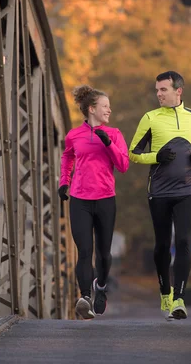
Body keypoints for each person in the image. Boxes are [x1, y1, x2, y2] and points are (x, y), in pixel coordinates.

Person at [129, 71, 191, 320]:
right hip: (160, 191)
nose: (159, 94)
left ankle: (179, 299)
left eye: (163, 90)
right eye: (157, 90)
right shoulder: (150, 118)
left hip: (188, 189)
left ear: (178, 91)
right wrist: (156, 157)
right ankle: (165, 292)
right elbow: (133, 152)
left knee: (184, 242)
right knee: (163, 244)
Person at [59, 85, 129, 319]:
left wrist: (107, 143)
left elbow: (123, 165)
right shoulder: (73, 135)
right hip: (79, 199)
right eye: (105, 106)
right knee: (84, 251)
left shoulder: (115, 134)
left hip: (105, 199)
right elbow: (68, 156)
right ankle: (85, 297)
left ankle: (101, 288)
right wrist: (63, 182)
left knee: (103, 254)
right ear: (92, 109)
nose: (109, 110)